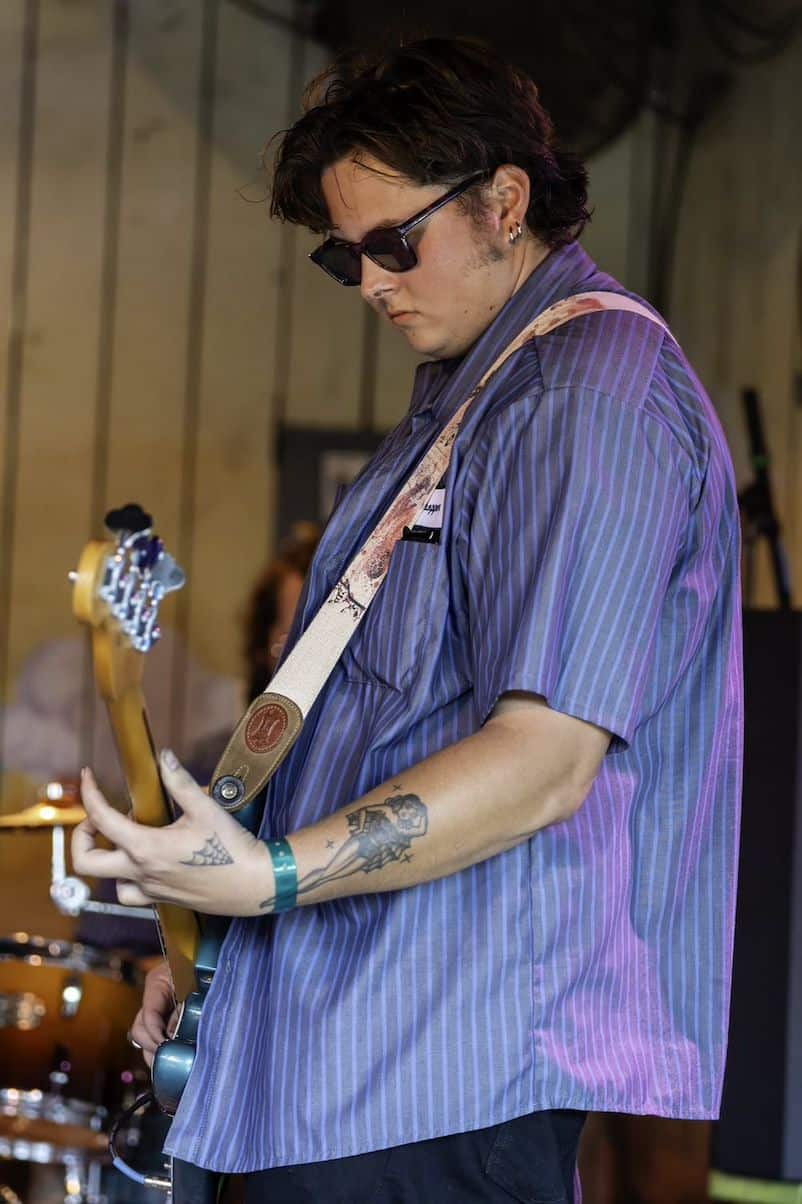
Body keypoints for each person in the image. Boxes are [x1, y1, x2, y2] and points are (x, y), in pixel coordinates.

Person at [72, 37, 743, 1203]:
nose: (372, 283)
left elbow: (544, 761)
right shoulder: (475, 393)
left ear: (504, 201)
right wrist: (219, 939)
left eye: (395, 243)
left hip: (445, 1057)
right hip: (348, 1047)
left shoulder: (587, 388)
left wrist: (270, 876)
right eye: (347, 256)